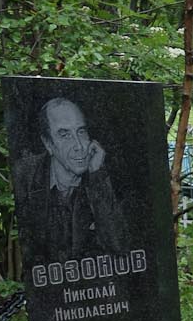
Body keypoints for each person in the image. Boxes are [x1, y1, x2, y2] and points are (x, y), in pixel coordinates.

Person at [12, 97, 124, 261]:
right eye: (65, 135)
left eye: (81, 131)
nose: (79, 146)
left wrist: (97, 176)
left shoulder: (104, 172)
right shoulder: (24, 175)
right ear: (48, 143)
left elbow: (119, 246)